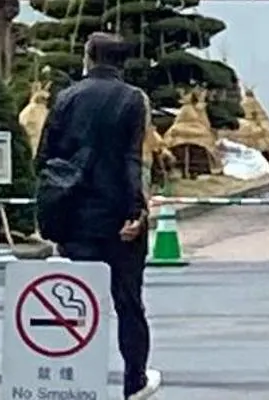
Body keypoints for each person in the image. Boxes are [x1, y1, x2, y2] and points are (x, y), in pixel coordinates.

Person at [36, 32, 161, 400]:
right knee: (128, 303)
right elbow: (132, 160)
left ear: (88, 57)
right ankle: (134, 381)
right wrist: (136, 211)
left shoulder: (66, 97)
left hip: (74, 216)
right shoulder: (133, 99)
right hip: (117, 218)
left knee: (76, 302)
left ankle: (72, 382)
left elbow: (44, 157)